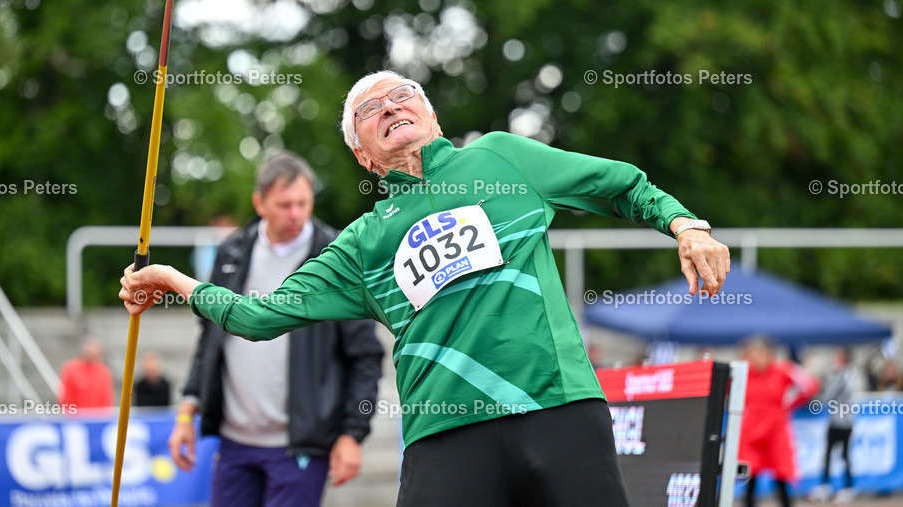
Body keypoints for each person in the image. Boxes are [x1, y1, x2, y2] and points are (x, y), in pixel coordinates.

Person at [121, 70, 731, 506]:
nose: (390, 105)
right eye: (370, 108)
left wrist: (687, 225)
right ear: (362, 154)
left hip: (557, 408)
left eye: (402, 94)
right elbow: (260, 316)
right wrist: (175, 280)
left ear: (431, 113)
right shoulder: (361, 243)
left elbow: (619, 184)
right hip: (446, 436)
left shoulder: (500, 157)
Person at [168, 152, 384, 507]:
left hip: (300, 446)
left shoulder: (337, 257)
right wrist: (186, 411)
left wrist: (352, 433)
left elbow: (366, 357)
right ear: (259, 202)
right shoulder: (232, 252)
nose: (296, 214)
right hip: (234, 442)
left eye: (303, 202)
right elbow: (209, 339)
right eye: (284, 205)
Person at [738, 336, 820, 507]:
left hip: (775, 432)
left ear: (769, 354)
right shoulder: (744, 373)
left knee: (781, 475)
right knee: (750, 476)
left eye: (760, 352)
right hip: (752, 434)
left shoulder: (783, 370)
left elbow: (810, 385)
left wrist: (791, 403)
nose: (756, 357)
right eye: (753, 353)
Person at [810, 348, 859, 503]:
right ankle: (826, 486)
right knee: (829, 455)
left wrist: (814, 394)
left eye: (837, 357)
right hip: (836, 421)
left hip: (844, 423)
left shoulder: (846, 375)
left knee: (844, 455)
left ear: (844, 359)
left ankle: (848, 488)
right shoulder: (839, 374)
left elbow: (830, 394)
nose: (834, 360)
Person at [57, 335, 114, 412]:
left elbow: (106, 397)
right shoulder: (71, 368)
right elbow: (66, 396)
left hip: (99, 417)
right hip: (77, 416)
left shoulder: (103, 371)